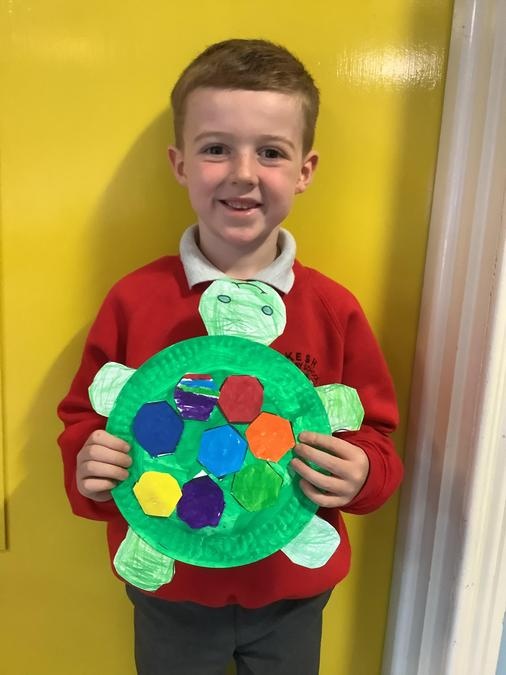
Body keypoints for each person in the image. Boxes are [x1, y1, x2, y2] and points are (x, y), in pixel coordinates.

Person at [57, 38, 403, 675]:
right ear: (180, 164)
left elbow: (375, 436)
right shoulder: (136, 301)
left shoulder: (331, 309)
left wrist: (363, 476)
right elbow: (84, 421)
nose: (244, 173)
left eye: (271, 152)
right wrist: (91, 469)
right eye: (216, 148)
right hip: (170, 585)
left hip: (290, 588)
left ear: (304, 170)